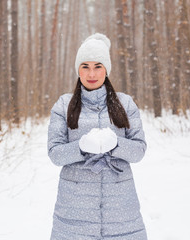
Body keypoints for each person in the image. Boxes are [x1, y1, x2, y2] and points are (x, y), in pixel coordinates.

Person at [48, 33, 148, 240]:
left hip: (121, 213)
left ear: (107, 69)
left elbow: (139, 150)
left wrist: (116, 144)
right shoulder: (63, 105)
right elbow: (55, 154)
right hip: (74, 215)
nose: (91, 73)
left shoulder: (125, 103)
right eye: (85, 66)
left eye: (98, 66)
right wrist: (81, 147)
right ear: (78, 69)